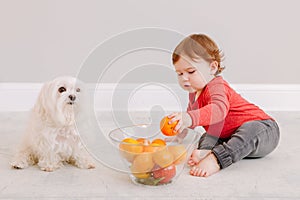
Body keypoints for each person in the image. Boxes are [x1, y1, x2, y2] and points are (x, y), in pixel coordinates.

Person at [167, 34, 280, 177]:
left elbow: (218, 110)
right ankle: (206, 151)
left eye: (191, 71)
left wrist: (188, 117)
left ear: (212, 67)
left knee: (250, 129)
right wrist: (178, 134)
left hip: (264, 131)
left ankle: (217, 159)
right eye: (179, 73)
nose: (184, 78)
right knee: (208, 135)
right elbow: (190, 122)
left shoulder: (216, 86)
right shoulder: (194, 93)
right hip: (229, 136)